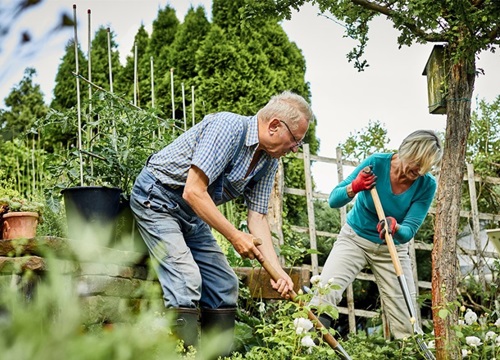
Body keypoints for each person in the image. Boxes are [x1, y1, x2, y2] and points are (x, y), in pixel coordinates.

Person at [129, 90, 313, 355]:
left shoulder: (268, 161)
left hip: (191, 213)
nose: (295, 148)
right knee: (185, 280)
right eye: (295, 140)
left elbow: (258, 218)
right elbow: (193, 190)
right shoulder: (228, 127)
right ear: (274, 126)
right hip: (157, 198)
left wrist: (278, 271)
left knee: (224, 285)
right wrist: (235, 237)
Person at [310, 130, 443, 339]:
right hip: (355, 239)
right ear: (406, 151)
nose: (419, 171)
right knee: (325, 293)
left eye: (425, 167)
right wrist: (355, 187)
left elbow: (408, 231)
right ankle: (307, 346)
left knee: (406, 316)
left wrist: (395, 227)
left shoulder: (427, 185)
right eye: (417, 163)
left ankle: (408, 350)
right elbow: (334, 200)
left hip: (392, 249)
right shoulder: (376, 164)